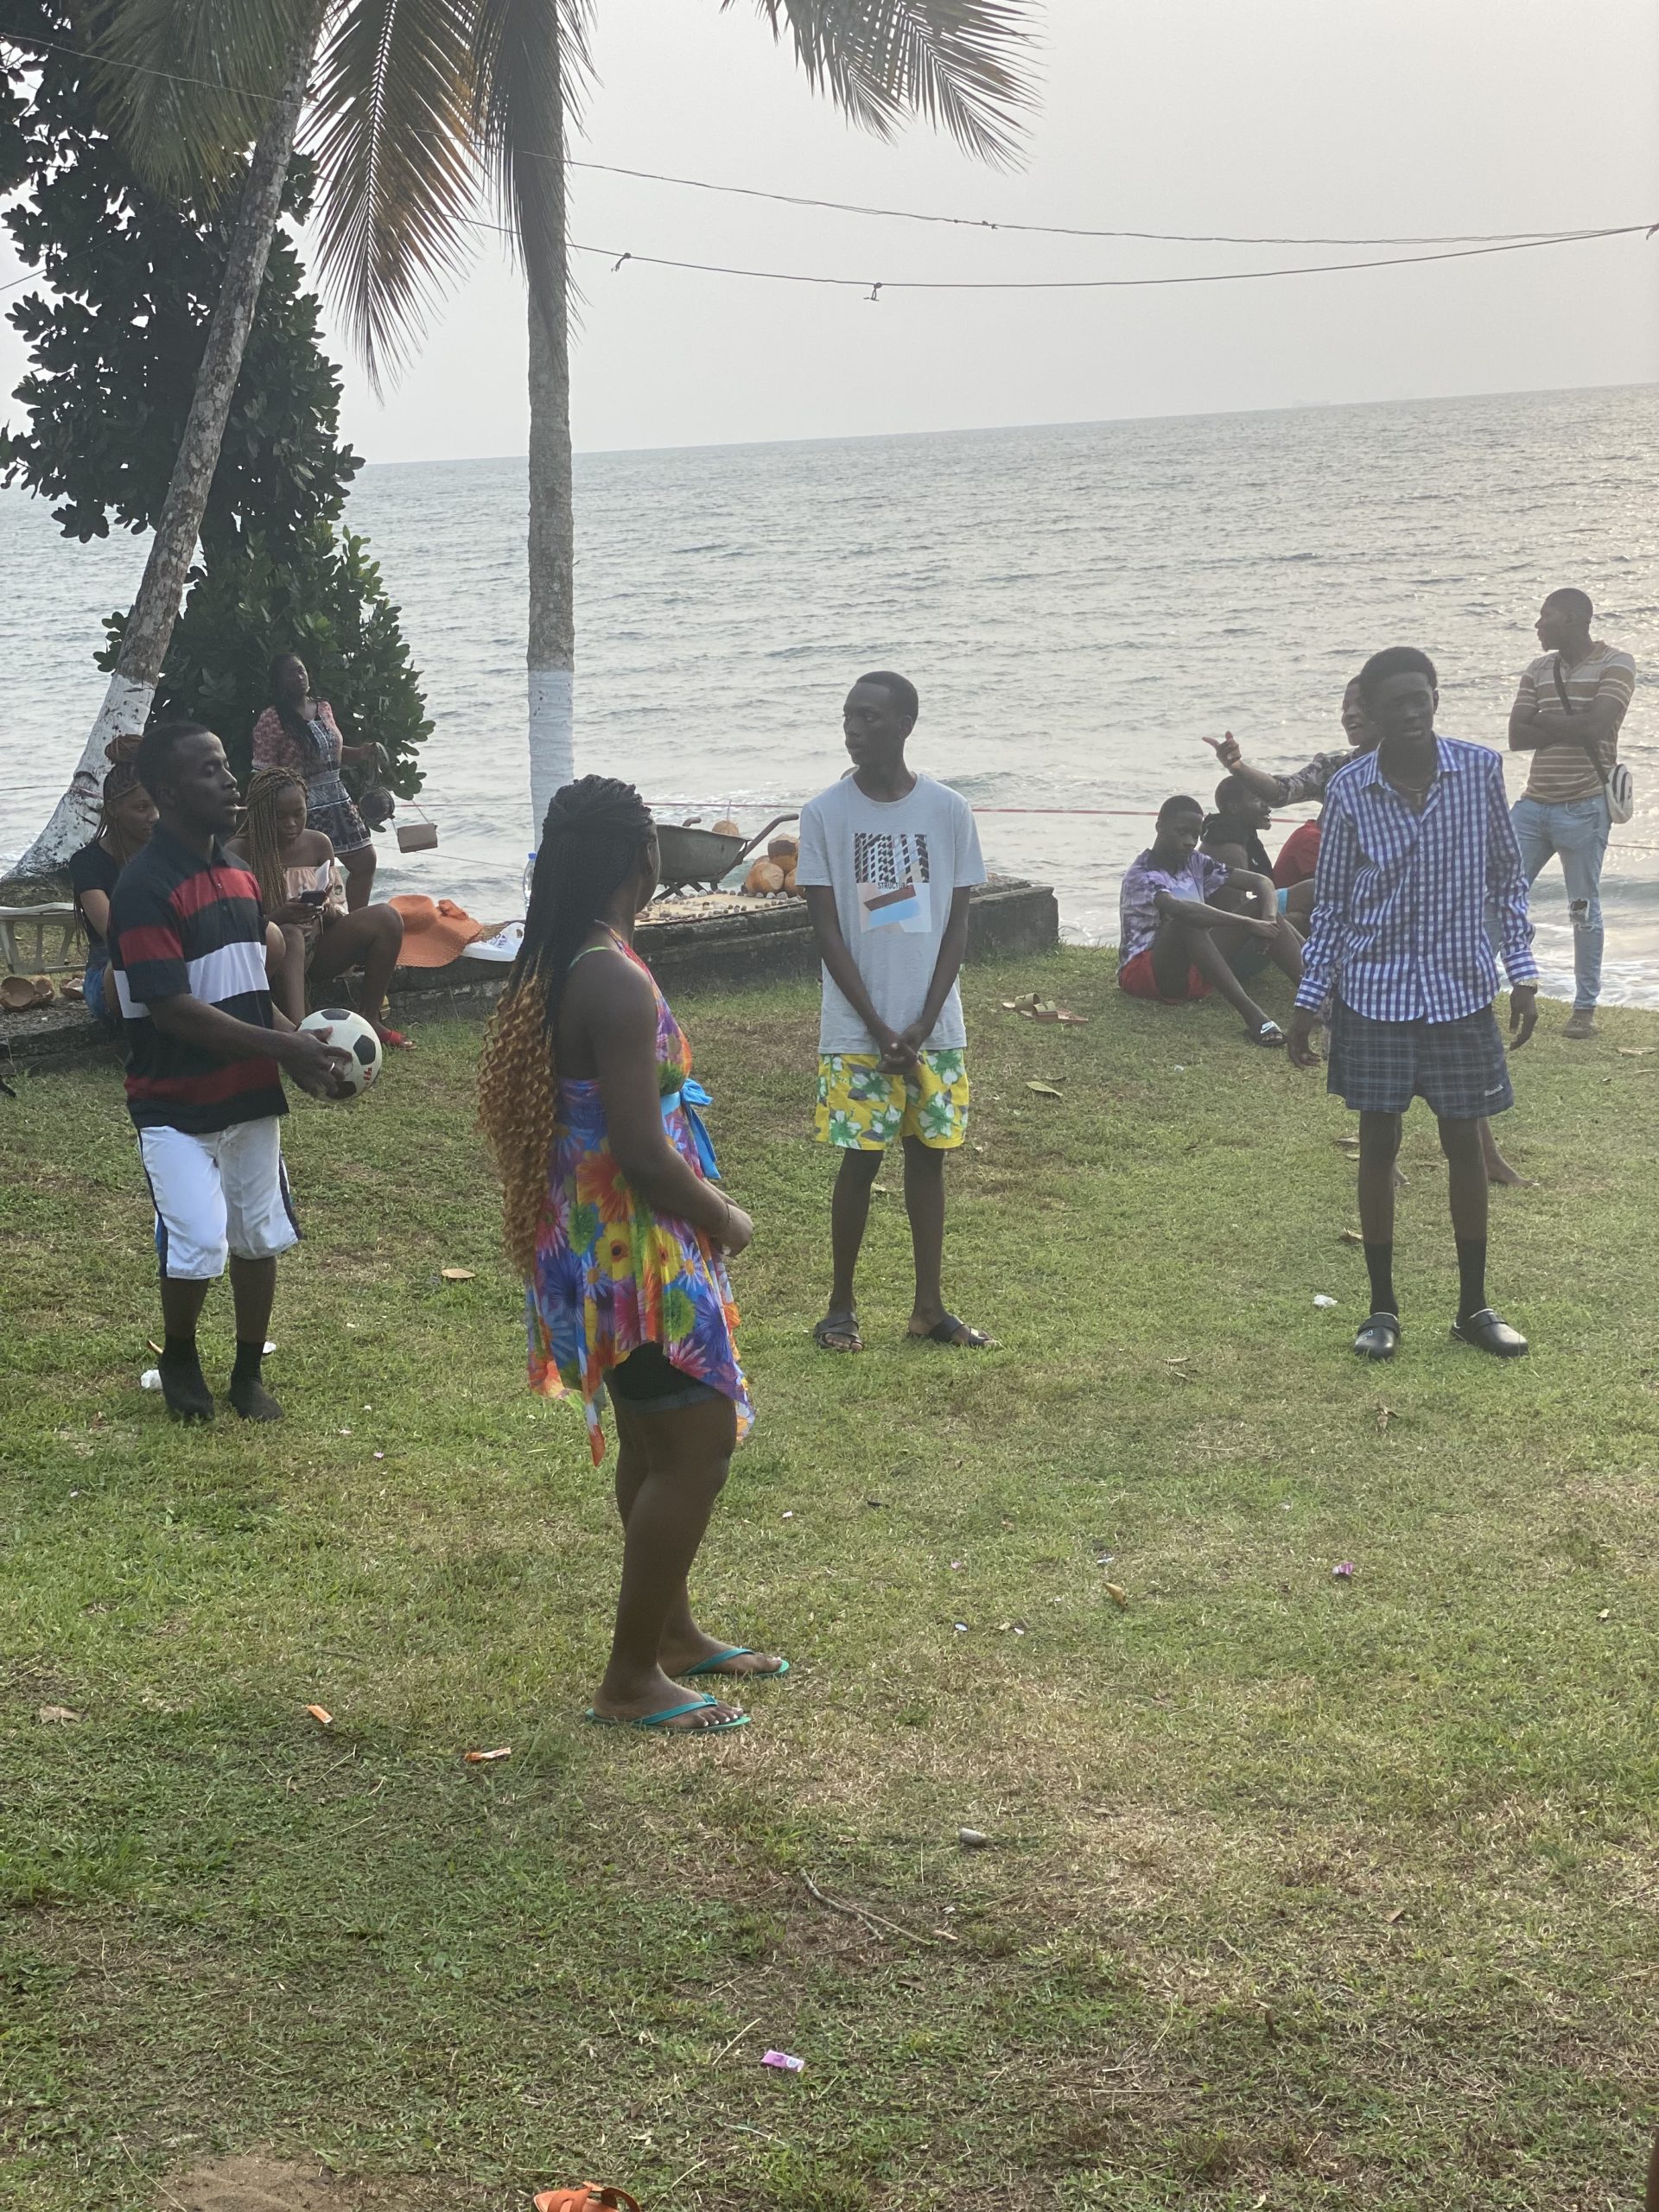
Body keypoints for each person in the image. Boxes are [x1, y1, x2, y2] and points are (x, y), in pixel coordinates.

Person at [476, 775, 772, 1736]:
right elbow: (642, 1154)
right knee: (695, 1446)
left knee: (655, 1440)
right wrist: (722, 1216)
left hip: (594, 1242)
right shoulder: (609, 973)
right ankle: (630, 1676)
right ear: (641, 858)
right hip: (633, 1246)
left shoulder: (572, 955)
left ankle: (672, 1633)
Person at [1287, 648, 1538, 1362]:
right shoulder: (1350, 791)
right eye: (1395, 701)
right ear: (1370, 708)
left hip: (1460, 992)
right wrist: (1310, 999)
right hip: (1374, 995)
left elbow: (1505, 880)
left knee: (1465, 1144)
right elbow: (1331, 906)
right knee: (1378, 1146)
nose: (1411, 711)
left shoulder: (1479, 771)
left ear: (1436, 697)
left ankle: (1473, 1307)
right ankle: (1382, 1310)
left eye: (1421, 697)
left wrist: (1521, 970)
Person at [108, 722, 352, 1423]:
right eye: (209, 770)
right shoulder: (142, 889)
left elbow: (247, 994)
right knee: (198, 1239)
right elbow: (173, 1011)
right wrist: (283, 1051)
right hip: (172, 1102)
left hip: (248, 1096)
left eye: (225, 766)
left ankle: (247, 1375)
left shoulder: (242, 877)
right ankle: (179, 1355)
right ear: (168, 791)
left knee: (258, 1234)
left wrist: (305, 1049)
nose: (227, 781)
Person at [797, 671, 991, 1355]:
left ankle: (929, 1309)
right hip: (857, 1031)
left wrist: (923, 1021)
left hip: (932, 1029)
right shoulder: (823, 814)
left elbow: (956, 927)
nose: (853, 729)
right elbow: (827, 931)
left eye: (870, 718)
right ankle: (840, 1308)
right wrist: (879, 1027)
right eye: (849, 716)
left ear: (906, 723)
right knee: (859, 1161)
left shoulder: (948, 811)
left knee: (928, 1158)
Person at [1508, 588, 1637, 1040]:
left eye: (1546, 617)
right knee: (1496, 894)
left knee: (1583, 908)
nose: (1538, 626)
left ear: (1574, 618)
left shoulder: (1617, 663)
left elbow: (1597, 726)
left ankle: (1584, 1008)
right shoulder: (1538, 668)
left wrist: (1543, 724)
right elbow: (1516, 736)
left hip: (1585, 806)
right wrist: (1568, 725)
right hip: (1532, 805)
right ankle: (1495, 983)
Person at [228, 767, 410, 1046]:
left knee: (388, 918)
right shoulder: (237, 853)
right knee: (288, 933)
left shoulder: (318, 844)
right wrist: (278, 917)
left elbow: (339, 913)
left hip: (317, 948)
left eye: (298, 813)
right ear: (260, 813)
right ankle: (303, 1033)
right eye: (279, 816)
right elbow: (233, 932)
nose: (291, 824)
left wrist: (325, 908)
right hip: (269, 960)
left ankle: (371, 1016)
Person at [1118, 794, 1302, 1043]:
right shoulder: (1143, 873)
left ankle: (1318, 999)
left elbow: (1261, 882)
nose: (1189, 842)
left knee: (1262, 907)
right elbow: (1179, 909)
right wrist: (1246, 923)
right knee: (1188, 920)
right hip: (1148, 971)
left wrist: (1267, 920)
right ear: (1159, 826)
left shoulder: (1194, 861)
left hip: (1195, 964)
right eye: (1181, 832)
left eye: (1195, 835)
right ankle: (1256, 1018)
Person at [251, 653, 384, 911]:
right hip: (302, 802)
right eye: (291, 673)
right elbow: (262, 770)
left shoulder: (323, 707)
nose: (299, 677)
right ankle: (317, 927)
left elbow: (332, 751)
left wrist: (362, 753)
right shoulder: (272, 718)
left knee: (365, 860)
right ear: (279, 682)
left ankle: (356, 920)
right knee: (312, 874)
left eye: (301, 670)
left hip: (337, 796)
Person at [67, 759, 157, 1036]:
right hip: (111, 971)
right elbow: (114, 934)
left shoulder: (173, 853)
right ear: (113, 809)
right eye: (142, 807)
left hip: (175, 957)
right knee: (134, 954)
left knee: (270, 936)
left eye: (159, 805)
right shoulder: (88, 862)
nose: (155, 815)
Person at [1200, 774, 1314, 928]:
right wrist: (1282, 920)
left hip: (1241, 916)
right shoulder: (1229, 849)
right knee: (1306, 913)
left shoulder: (1242, 838)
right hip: (1225, 929)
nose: (1267, 807)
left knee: (1312, 890)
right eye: (1256, 800)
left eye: (1265, 799)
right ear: (1234, 808)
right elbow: (1231, 911)